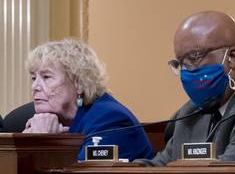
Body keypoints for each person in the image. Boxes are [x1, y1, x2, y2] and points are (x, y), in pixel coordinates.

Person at [141, 11, 235, 166]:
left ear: (232, 57)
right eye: (181, 64)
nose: (186, 72)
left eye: (194, 58)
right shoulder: (191, 113)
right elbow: (159, 168)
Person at [24, 39, 154, 161]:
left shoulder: (110, 119)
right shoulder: (48, 120)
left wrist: (43, 143)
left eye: (46, 77)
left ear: (79, 84)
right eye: (34, 78)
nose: (35, 87)